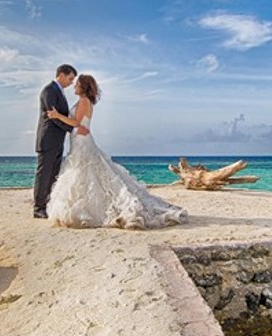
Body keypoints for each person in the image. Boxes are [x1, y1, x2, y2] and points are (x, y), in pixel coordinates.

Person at [45, 74, 187, 229]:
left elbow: (76, 123)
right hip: (78, 140)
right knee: (85, 172)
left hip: (82, 141)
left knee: (85, 171)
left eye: (77, 84)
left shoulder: (85, 101)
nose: (74, 86)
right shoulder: (81, 101)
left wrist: (57, 115)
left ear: (83, 87)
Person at [34, 64, 88, 218]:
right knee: (44, 175)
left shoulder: (59, 92)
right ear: (62, 75)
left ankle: (48, 204)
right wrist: (74, 130)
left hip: (58, 140)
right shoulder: (49, 90)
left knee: (53, 174)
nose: (71, 82)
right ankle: (38, 208)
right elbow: (53, 116)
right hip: (48, 139)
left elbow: (59, 116)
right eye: (70, 79)